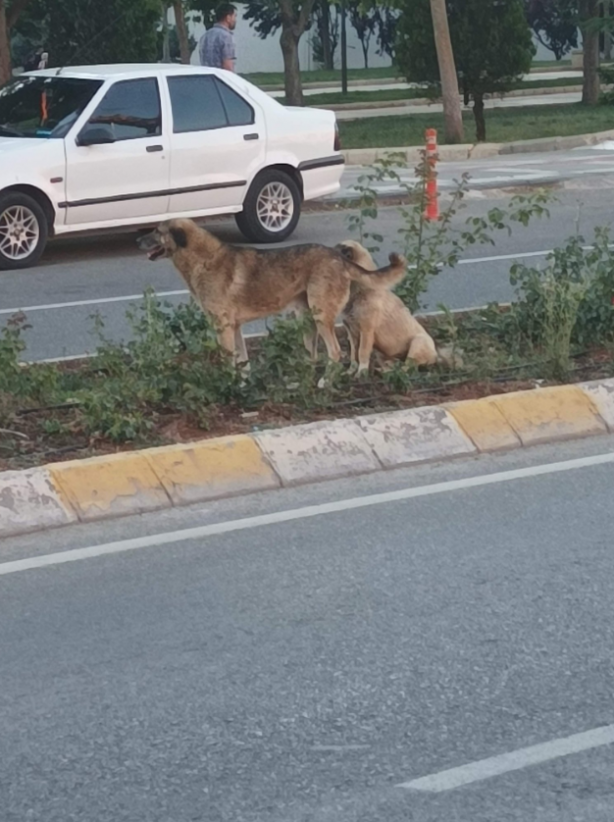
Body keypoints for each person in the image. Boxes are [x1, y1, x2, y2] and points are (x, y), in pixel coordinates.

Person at [199, 4, 237, 72]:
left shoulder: (205, 35)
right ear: (228, 18)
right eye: (234, 16)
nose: (235, 20)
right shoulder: (226, 37)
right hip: (221, 79)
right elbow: (227, 66)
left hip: (207, 78)